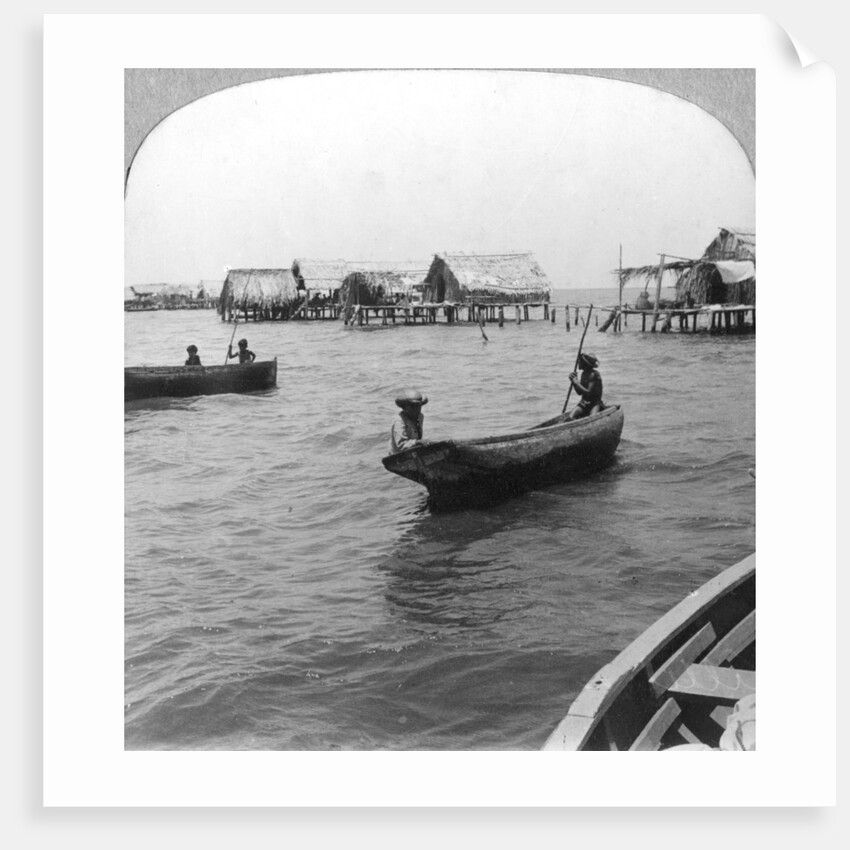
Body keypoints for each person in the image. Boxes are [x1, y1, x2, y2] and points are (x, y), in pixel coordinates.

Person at [566, 352, 604, 420]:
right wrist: (574, 381)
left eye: (580, 362)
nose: (578, 363)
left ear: (585, 364)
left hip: (594, 404)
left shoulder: (593, 375)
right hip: (584, 403)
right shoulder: (583, 374)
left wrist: (577, 382)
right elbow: (579, 392)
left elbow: (588, 392)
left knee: (592, 419)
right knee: (570, 417)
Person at [390, 389, 428, 453]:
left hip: (413, 451)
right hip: (398, 456)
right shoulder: (399, 421)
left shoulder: (420, 416)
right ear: (404, 407)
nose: (416, 409)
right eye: (412, 406)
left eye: (418, 406)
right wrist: (418, 442)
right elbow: (400, 445)